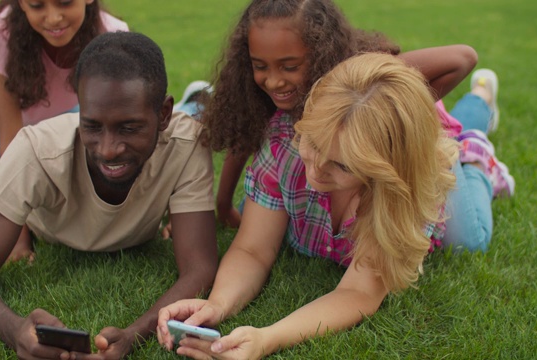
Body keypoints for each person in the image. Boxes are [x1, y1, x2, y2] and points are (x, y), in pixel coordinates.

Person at [156, 53, 459, 360]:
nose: (316, 171)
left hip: (434, 169)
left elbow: (359, 292)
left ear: (385, 169)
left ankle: (475, 137)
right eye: (312, 142)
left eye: (342, 165)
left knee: (469, 237)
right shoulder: (283, 147)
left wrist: (267, 338)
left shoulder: (400, 191)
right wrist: (217, 304)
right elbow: (253, 249)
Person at [0, 31, 218, 359]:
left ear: (163, 114)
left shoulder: (187, 144)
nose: (108, 149)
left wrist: (135, 334)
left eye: (129, 128)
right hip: (55, 232)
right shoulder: (35, 149)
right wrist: (15, 329)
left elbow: (200, 267)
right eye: (92, 126)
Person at [207, 0, 477, 231]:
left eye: (289, 66)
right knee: (259, 209)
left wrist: (404, 110)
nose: (274, 81)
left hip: (428, 137)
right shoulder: (260, 92)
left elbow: (463, 58)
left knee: (467, 240)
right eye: (260, 66)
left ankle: (478, 145)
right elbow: (244, 134)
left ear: (322, 51)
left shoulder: (357, 83)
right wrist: (224, 206)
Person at [0, 0, 128, 262]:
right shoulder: (6, 31)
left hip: (55, 103)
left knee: (47, 151)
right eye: (37, 5)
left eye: (64, 2)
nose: (53, 18)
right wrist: (18, 238)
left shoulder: (112, 38)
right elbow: (11, 147)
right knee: (15, 153)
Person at [442, 67, 515, 251]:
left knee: (468, 244)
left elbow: (465, 57)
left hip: (436, 148)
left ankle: (475, 162)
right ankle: (480, 97)